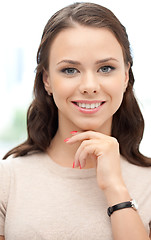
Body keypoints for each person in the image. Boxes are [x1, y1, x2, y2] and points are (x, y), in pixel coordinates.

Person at [0, 2, 151, 240]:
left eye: (106, 68)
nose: (89, 86)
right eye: (70, 70)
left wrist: (115, 188)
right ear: (47, 80)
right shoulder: (8, 180)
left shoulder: (148, 183)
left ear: (125, 76)